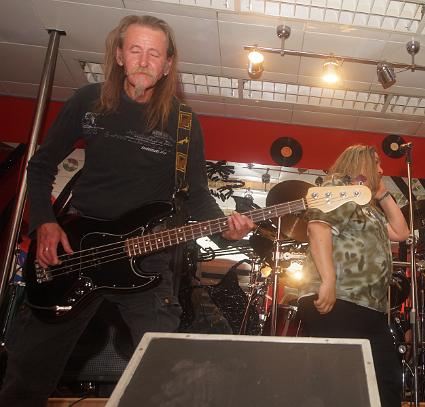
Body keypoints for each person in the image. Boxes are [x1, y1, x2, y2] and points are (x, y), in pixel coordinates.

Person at [0, 15, 254, 405]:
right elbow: (41, 164)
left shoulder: (183, 122)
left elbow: (197, 195)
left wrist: (225, 229)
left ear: (167, 64)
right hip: (77, 248)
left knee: (165, 373)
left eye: (154, 53)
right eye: (135, 50)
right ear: (119, 55)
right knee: (29, 374)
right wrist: (45, 223)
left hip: (146, 256)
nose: (144, 61)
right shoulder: (88, 100)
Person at [297, 145, 411, 407]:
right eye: (376, 163)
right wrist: (328, 280)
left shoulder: (365, 204)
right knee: (343, 385)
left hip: (369, 306)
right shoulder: (337, 188)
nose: (381, 169)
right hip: (340, 299)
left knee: (386, 382)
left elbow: (401, 232)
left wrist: (382, 193)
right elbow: (318, 228)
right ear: (360, 164)